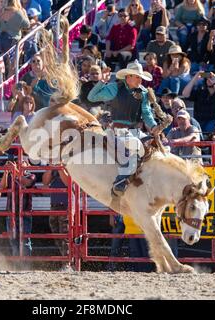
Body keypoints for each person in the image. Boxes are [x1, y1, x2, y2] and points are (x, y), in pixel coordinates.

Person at [87, 60, 161, 196]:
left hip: (135, 131)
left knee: (156, 149)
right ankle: (120, 182)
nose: (140, 80)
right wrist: (102, 81)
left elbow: (146, 112)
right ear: (128, 77)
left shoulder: (143, 92)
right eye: (137, 76)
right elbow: (91, 97)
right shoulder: (115, 88)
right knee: (134, 147)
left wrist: (153, 126)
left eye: (140, 77)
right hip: (118, 131)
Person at [0, 158, 36, 260]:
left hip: (24, 214)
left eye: (22, 161)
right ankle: (17, 264)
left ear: (27, 164)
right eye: (16, 161)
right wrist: (6, 172)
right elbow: (2, 187)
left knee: (25, 241)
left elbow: (27, 183)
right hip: (11, 213)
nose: (19, 163)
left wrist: (14, 170)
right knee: (14, 241)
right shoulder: (11, 175)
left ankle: (25, 265)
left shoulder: (31, 176)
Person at [42, 168, 74, 271]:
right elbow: (45, 181)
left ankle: (67, 263)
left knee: (65, 235)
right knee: (57, 234)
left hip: (66, 204)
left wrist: (60, 168)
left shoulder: (70, 165)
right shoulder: (54, 167)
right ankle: (68, 261)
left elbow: (68, 182)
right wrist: (51, 168)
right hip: (55, 203)